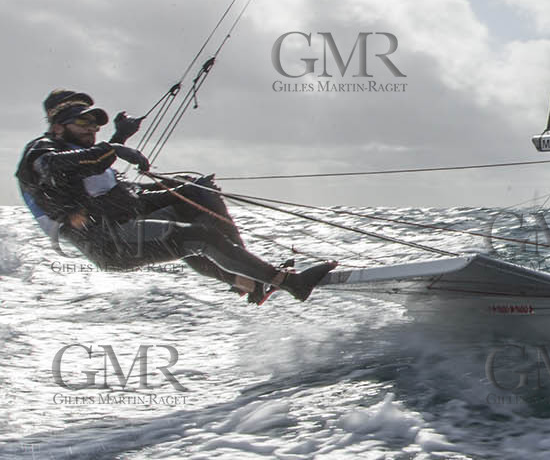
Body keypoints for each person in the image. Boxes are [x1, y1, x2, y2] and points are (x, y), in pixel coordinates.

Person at [15, 89, 335, 303]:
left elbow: (91, 169)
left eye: (94, 123)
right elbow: (59, 167)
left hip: (127, 216)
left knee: (197, 191)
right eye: (82, 121)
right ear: (58, 126)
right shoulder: (39, 153)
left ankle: (248, 278)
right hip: (111, 242)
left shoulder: (76, 148)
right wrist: (114, 147)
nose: (91, 128)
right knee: (200, 237)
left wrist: (119, 137)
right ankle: (289, 283)